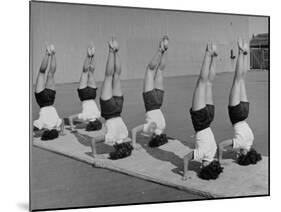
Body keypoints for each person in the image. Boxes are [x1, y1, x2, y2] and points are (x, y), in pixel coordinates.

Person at [182, 42, 223, 181]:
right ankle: (208, 53)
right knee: (201, 82)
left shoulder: (213, 152)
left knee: (209, 83)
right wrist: (185, 173)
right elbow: (186, 158)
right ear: (204, 166)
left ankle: (215, 57)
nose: (199, 168)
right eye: (201, 169)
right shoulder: (202, 154)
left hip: (210, 117)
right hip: (200, 121)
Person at [218, 39, 262, 166]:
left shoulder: (250, 141)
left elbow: (242, 143)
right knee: (237, 80)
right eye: (239, 155)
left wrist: (238, 150)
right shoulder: (241, 143)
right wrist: (220, 160)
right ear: (244, 154)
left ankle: (244, 54)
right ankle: (240, 52)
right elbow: (221, 145)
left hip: (245, 112)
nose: (237, 155)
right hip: (236, 116)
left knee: (242, 79)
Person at [88, 37, 133, 160]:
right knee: (108, 77)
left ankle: (116, 51)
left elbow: (129, 140)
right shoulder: (110, 138)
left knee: (117, 76)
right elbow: (93, 140)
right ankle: (111, 51)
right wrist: (94, 155)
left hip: (118, 109)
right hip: (108, 111)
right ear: (115, 149)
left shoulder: (125, 135)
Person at [131, 36, 169, 148]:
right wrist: (133, 143)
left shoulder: (163, 126)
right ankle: (160, 50)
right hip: (150, 103)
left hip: (159, 102)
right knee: (150, 70)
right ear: (153, 137)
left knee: (160, 70)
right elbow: (134, 130)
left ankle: (165, 50)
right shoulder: (151, 128)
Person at [33, 44, 64, 140]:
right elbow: (35, 127)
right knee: (42, 72)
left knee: (51, 74)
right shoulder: (43, 125)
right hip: (42, 101)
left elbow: (62, 121)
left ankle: (53, 53)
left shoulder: (56, 124)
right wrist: (35, 133)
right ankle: (47, 53)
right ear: (46, 133)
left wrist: (61, 131)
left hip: (51, 100)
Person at [68, 44, 102, 132]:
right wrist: (72, 127)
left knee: (91, 72)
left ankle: (92, 55)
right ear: (89, 125)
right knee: (84, 72)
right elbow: (70, 117)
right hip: (83, 96)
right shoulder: (85, 117)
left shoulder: (98, 115)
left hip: (92, 94)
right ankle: (88, 55)